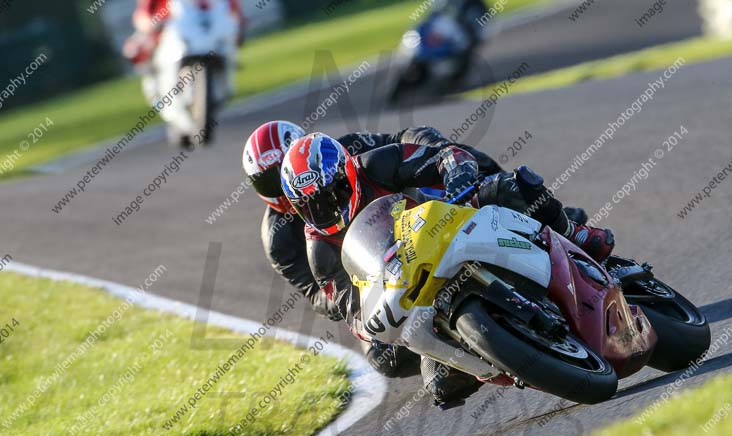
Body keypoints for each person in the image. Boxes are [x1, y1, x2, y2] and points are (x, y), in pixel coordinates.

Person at [280, 133, 614, 405]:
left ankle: (574, 232)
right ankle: (496, 353)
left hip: (451, 222)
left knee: (511, 186)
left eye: (334, 193)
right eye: (312, 205)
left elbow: (448, 156)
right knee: (438, 384)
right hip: (417, 291)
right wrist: (377, 320)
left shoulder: (378, 164)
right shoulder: (321, 252)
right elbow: (354, 312)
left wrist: (457, 181)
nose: (328, 208)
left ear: (347, 173)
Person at [242, 121, 506, 376]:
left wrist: (438, 150)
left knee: (491, 182)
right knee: (382, 357)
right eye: (269, 180)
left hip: (415, 213)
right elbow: (315, 292)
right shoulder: (279, 241)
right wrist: (343, 299)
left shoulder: (339, 152)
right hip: (372, 278)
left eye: (284, 169)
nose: (286, 184)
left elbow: (399, 141)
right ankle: (451, 352)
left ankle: (506, 203)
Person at [123, 0, 245, 105]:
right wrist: (151, 26)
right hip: (168, 37)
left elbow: (231, 9)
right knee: (138, 52)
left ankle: (221, 86)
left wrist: (237, 24)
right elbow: (143, 14)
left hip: (204, 36)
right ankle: (157, 91)